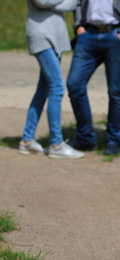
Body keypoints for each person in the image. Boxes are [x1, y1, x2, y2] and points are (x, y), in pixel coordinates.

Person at [66, 0, 120, 155]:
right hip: (87, 36)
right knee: (74, 84)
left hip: (116, 36)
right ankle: (85, 138)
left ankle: (113, 140)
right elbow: (78, 3)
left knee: (115, 90)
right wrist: (79, 26)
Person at [20, 0, 84, 159]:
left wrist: (54, 4)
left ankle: (27, 140)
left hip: (55, 36)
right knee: (57, 86)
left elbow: (73, 4)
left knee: (44, 89)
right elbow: (42, 2)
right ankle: (56, 144)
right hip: (41, 36)